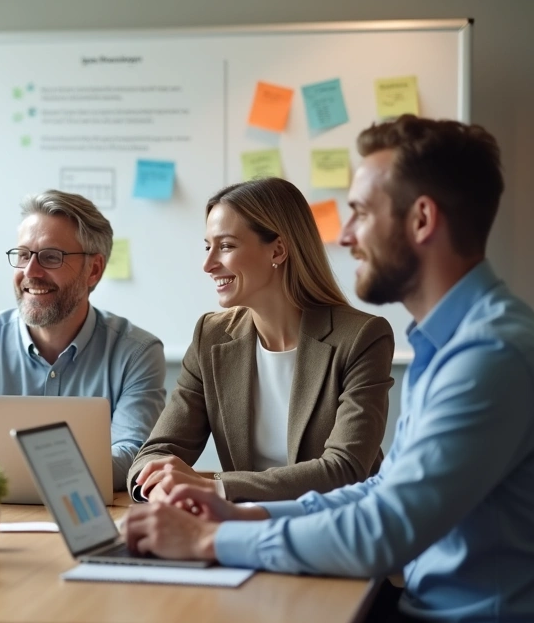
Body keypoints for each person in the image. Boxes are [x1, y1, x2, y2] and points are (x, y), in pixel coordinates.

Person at [123, 116, 534, 623]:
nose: (344, 236)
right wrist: (240, 513)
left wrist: (211, 537)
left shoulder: (488, 356)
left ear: (422, 220)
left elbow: (381, 526)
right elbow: (378, 491)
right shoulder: (451, 345)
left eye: (360, 212)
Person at [128, 177, 394, 504]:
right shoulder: (210, 337)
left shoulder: (361, 337)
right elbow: (156, 451)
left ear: (278, 250)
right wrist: (158, 485)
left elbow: (344, 468)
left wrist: (216, 489)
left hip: (337, 528)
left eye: (225, 246)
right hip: (242, 527)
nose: (208, 264)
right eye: (207, 246)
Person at [0, 189, 166, 498]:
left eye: (51, 257)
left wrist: (39, 470)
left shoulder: (136, 353)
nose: (30, 272)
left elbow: (133, 453)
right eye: (23, 255)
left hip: (88, 520)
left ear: (93, 270)